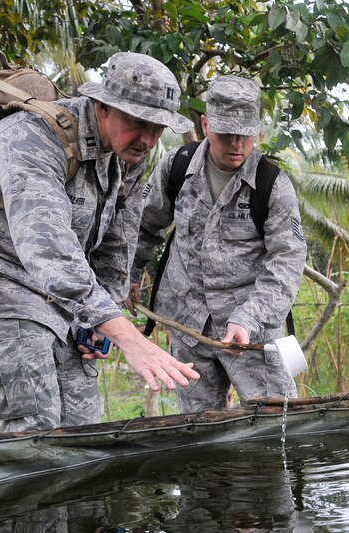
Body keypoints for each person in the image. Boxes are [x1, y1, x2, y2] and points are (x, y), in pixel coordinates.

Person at [0, 51, 200, 433]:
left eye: (158, 127)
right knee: (35, 431)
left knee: (84, 429)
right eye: (137, 122)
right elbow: (47, 248)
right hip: (3, 285)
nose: (148, 139)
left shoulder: (129, 154)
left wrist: (101, 320)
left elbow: (118, 243)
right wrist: (127, 337)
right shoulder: (30, 137)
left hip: (69, 298)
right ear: (102, 106)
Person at [127, 75, 307, 413]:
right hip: (188, 325)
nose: (236, 144)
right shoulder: (176, 166)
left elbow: (287, 262)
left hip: (253, 334)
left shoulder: (273, 185)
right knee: (199, 429)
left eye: (245, 134)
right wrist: (131, 273)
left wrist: (249, 318)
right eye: (226, 134)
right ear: (207, 124)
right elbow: (143, 225)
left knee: (277, 422)